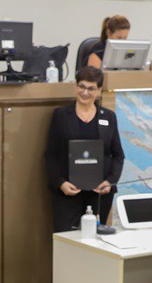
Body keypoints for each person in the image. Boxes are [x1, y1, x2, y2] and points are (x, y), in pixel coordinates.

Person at [44, 65, 125, 232]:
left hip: (99, 194)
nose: (85, 92)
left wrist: (110, 181)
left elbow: (118, 155)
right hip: (67, 193)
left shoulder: (109, 117)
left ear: (100, 90)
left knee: (96, 244)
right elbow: (50, 155)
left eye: (91, 88)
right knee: (67, 242)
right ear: (76, 86)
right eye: (81, 86)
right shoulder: (60, 115)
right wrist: (60, 183)